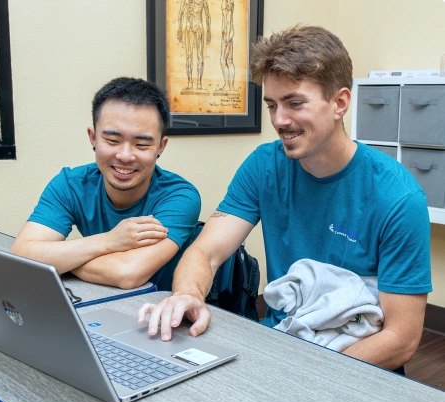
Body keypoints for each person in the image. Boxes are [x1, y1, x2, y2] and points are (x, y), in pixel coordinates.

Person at [138, 25, 432, 371]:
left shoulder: (397, 197)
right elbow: (206, 251)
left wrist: (305, 373)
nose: (279, 120)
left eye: (294, 103)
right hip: (281, 340)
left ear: (340, 102)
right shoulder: (264, 166)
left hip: (355, 366)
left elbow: (401, 339)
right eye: (271, 105)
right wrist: (187, 294)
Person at [11, 77, 201, 291]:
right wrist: (110, 240)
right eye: (112, 141)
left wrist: (58, 262)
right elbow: (22, 256)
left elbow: (127, 274)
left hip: (166, 309)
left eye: (141, 144)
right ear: (93, 138)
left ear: (161, 146)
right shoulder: (70, 184)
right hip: (102, 299)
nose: (125, 156)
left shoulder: (179, 197)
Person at [177, 0, 211, 91]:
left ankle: (199, 83)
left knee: (200, 57)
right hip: (189, 29)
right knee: (189, 56)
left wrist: (208, 33)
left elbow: (208, 16)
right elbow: (180, 13)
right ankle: (190, 83)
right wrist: (180, 30)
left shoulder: (203, 1)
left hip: (199, 28)